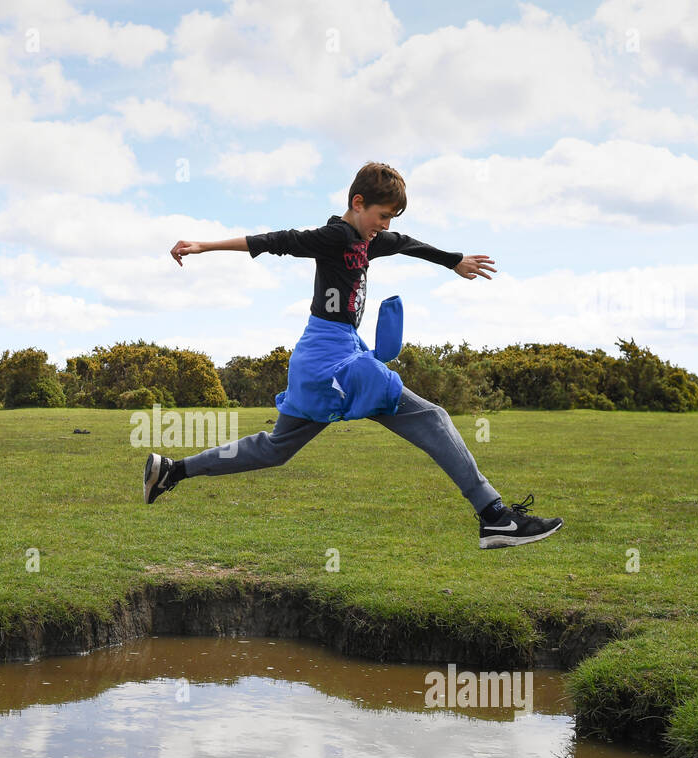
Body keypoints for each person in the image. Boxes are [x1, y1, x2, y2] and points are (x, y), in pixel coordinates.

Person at [147, 161, 562, 550]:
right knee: (433, 417)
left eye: (390, 220)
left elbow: (407, 244)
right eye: (382, 216)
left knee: (276, 449)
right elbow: (274, 241)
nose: (384, 227)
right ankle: (494, 516)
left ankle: (172, 471)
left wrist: (453, 260)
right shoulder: (334, 237)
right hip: (332, 359)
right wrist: (203, 245)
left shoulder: (371, 239)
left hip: (328, 353)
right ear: (358, 204)